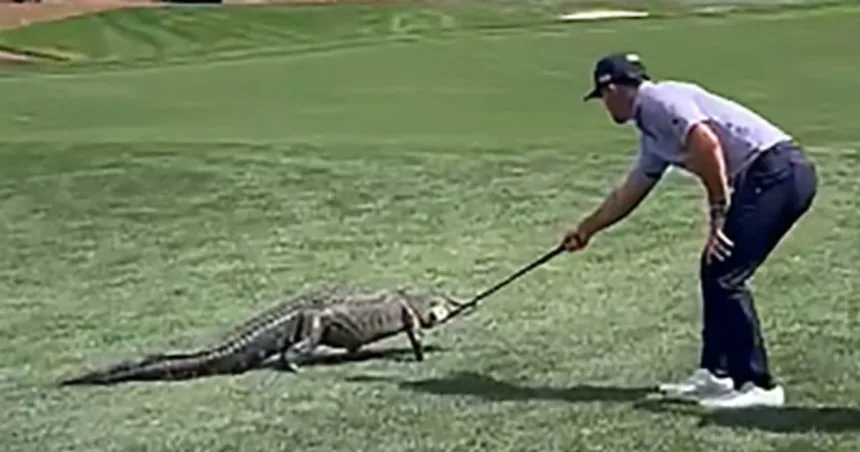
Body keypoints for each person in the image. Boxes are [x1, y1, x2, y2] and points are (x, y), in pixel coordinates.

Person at [561, 52, 818, 409]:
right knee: (715, 268)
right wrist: (586, 229)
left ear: (613, 88)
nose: (604, 106)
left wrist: (718, 214)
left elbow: (706, 144)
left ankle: (758, 385)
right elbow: (631, 191)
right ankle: (717, 373)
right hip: (770, 176)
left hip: (778, 173)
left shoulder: (658, 100)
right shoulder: (652, 132)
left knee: (725, 274)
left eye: (602, 96)